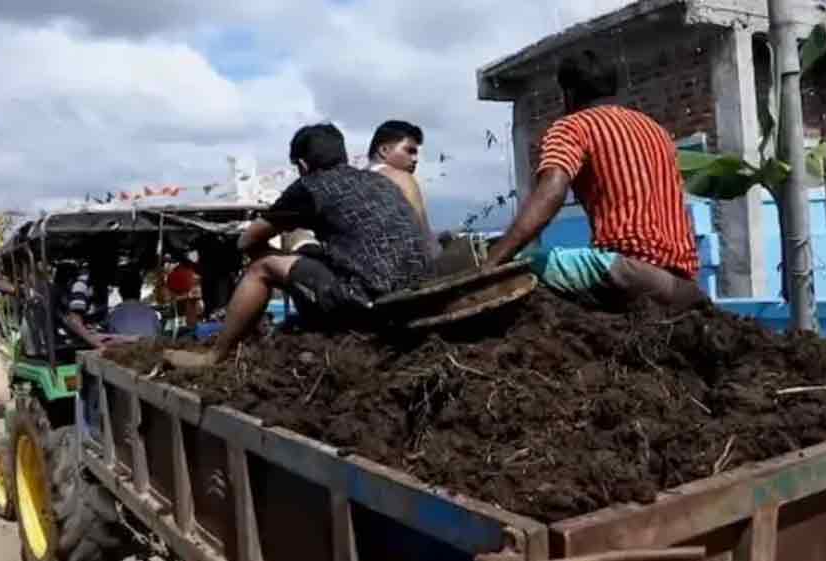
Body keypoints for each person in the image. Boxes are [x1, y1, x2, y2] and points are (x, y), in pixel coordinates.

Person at [165, 122, 433, 368]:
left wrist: (271, 251)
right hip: (414, 295)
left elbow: (247, 240)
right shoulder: (379, 181)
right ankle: (312, 312)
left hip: (370, 298)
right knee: (306, 252)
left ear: (303, 166)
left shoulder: (310, 187)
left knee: (262, 267)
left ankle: (213, 356)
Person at [485, 58, 706, 309]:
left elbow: (552, 193)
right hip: (682, 287)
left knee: (522, 265)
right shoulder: (656, 131)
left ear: (568, 95)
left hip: (630, 274)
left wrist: (493, 263)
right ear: (612, 91)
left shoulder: (573, 127)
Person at [367, 120, 440, 256]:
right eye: (410, 151)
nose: (415, 159)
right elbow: (422, 237)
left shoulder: (354, 181)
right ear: (384, 150)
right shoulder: (402, 179)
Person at [107, 269, 161, 338]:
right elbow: (158, 334)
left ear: (120, 292)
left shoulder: (114, 315)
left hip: (123, 348)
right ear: (139, 292)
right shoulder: (151, 313)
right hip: (148, 347)